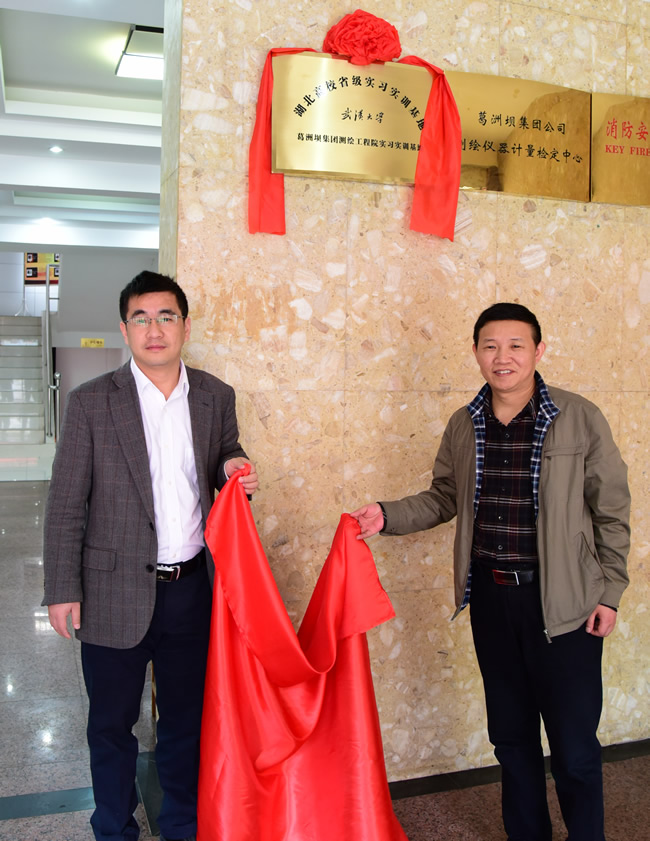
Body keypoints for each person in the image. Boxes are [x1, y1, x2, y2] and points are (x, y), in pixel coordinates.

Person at [350, 302, 630, 841]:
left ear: (538, 351)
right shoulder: (466, 423)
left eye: (516, 345)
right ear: (477, 352)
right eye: (491, 346)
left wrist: (610, 592)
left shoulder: (579, 417)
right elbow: (444, 496)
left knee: (573, 748)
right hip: (493, 602)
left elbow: (611, 510)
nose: (503, 357)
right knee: (511, 740)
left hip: (565, 605)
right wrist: (386, 515)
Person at [42, 271, 258, 841]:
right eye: (141, 318)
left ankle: (183, 826)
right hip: (110, 591)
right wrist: (62, 589)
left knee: (186, 723)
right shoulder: (91, 403)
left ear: (184, 326)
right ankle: (113, 829)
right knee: (111, 725)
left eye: (166, 317)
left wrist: (232, 467)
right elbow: (65, 503)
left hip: (192, 590)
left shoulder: (214, 396)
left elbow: (223, 455)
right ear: (124, 329)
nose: (154, 329)